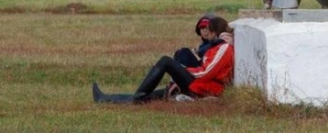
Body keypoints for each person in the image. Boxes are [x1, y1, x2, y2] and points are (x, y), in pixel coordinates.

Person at [92, 16, 234, 104]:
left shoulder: (224, 48)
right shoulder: (216, 46)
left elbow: (205, 73)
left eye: (208, 29)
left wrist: (181, 70)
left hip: (203, 90)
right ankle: (105, 99)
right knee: (148, 97)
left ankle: (133, 98)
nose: (206, 32)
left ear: (215, 32)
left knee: (166, 61)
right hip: (197, 86)